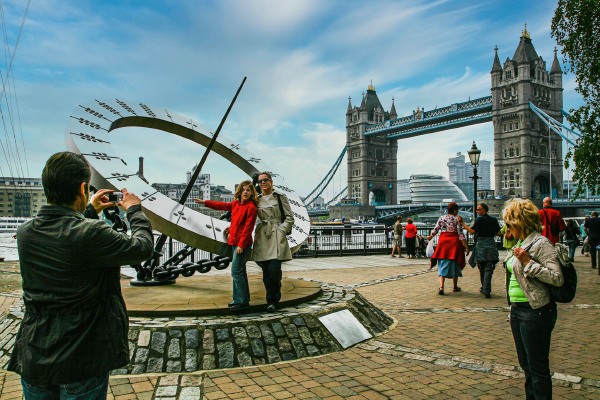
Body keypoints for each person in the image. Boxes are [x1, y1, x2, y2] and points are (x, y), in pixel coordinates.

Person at [8, 152, 154, 399]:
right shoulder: (92, 233)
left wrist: (88, 210)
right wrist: (134, 210)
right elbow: (142, 248)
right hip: (81, 358)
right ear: (83, 187)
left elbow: (66, 236)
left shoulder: (26, 232)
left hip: (34, 355)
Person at [502, 198, 563, 399]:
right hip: (518, 310)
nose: (507, 228)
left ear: (519, 221)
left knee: (537, 368)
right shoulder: (521, 242)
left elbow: (557, 278)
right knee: (526, 366)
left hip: (535, 310)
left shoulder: (541, 243)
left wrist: (528, 262)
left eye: (509, 223)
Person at [194, 180, 258, 310]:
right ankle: (241, 299)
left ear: (251, 193)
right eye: (244, 190)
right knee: (240, 272)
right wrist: (205, 202)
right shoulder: (235, 204)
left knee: (235, 272)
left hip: (242, 245)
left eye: (248, 190)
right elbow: (221, 205)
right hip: (234, 241)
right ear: (240, 192)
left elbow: (248, 229)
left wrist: (241, 245)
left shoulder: (251, 207)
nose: (246, 192)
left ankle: (241, 301)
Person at [252, 172, 295, 312]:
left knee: (274, 270)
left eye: (265, 180)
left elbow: (289, 217)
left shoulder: (280, 197)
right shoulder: (256, 199)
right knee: (266, 272)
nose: (263, 183)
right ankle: (271, 301)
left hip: (276, 233)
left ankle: (275, 297)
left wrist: (282, 230)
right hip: (262, 235)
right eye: (260, 181)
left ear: (271, 181)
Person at [459, 203, 501, 298]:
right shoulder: (494, 220)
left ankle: (484, 288)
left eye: (478, 210)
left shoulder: (479, 219)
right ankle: (486, 288)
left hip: (481, 245)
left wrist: (462, 223)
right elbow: (499, 233)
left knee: (482, 267)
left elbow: (472, 231)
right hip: (491, 245)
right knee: (489, 268)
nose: (477, 211)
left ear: (484, 211)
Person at [427, 202, 469, 295]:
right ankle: (455, 286)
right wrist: (466, 247)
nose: (457, 212)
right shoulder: (457, 219)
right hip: (454, 243)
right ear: (454, 210)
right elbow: (460, 234)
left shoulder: (442, 218)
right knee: (455, 263)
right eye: (457, 210)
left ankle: (441, 287)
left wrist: (430, 236)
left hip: (443, 242)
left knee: (442, 264)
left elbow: (436, 228)